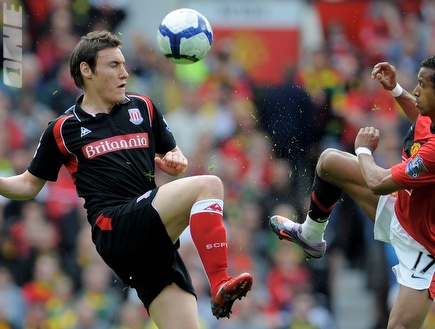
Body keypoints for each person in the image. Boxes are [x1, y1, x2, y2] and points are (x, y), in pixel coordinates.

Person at [0, 30, 253, 329]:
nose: (125, 72)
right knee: (210, 184)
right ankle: (221, 280)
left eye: (124, 64)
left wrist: (176, 162)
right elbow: (29, 184)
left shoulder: (143, 108)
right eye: (114, 65)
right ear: (86, 70)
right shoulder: (63, 129)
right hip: (115, 226)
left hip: (149, 232)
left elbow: (175, 156)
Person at [269, 56, 435, 329]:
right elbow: (419, 115)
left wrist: (363, 150)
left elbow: (378, 182)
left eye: (422, 85)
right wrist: (395, 90)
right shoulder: (430, 116)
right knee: (329, 162)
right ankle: (311, 236)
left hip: (423, 248)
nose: (415, 90)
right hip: (402, 213)